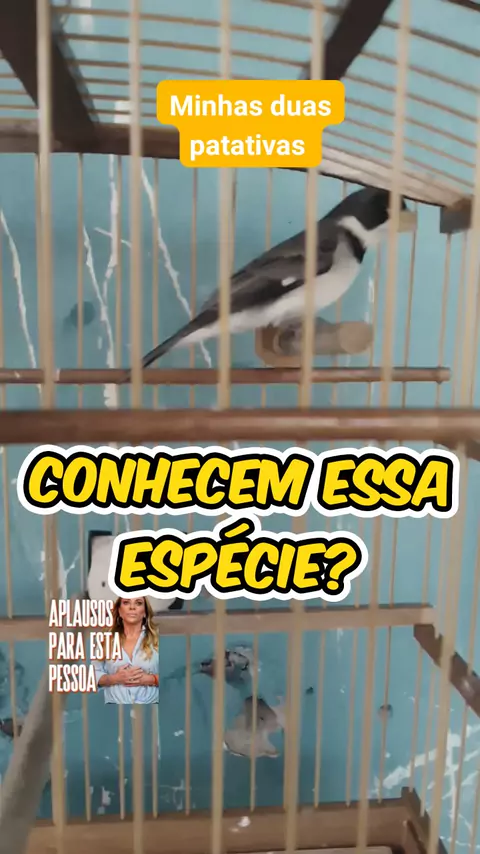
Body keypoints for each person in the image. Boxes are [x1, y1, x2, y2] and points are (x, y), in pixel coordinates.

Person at [93, 597, 159, 704]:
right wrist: (115, 678)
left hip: (151, 707)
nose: (132, 607)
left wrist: (150, 679)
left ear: (145, 613)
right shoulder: (105, 639)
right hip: (114, 708)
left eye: (138, 603)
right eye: (126, 602)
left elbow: (171, 676)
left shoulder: (157, 639)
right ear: (119, 611)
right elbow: (93, 675)